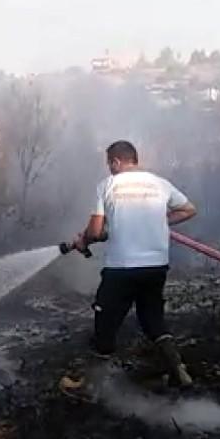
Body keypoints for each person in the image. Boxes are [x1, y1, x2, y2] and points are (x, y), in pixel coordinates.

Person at [59, 140, 197, 398]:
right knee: (153, 318)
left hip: (121, 268)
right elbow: (189, 209)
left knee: (106, 323)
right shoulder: (159, 183)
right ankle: (179, 372)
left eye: (109, 164)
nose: (109, 169)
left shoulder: (107, 185)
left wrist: (84, 241)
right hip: (156, 266)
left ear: (115, 162)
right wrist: (158, 220)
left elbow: (97, 231)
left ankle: (91, 387)